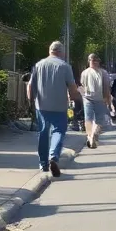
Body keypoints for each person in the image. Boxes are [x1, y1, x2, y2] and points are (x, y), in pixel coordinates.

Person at [27, 41, 82, 177]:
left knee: (43, 133)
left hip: (41, 106)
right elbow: (72, 87)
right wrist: (76, 99)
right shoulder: (65, 66)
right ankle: (53, 156)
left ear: (50, 51)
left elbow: (30, 86)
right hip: (59, 106)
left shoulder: (39, 65)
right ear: (61, 52)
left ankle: (43, 163)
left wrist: (30, 101)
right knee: (58, 131)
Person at [80, 53, 111, 149]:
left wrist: (82, 95)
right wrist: (108, 100)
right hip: (100, 98)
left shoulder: (84, 72)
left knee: (88, 119)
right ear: (98, 62)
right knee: (99, 120)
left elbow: (82, 85)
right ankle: (94, 134)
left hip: (87, 98)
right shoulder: (103, 73)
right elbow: (106, 87)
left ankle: (90, 137)